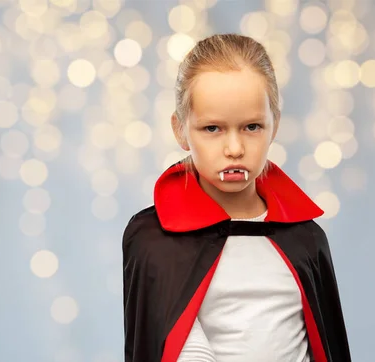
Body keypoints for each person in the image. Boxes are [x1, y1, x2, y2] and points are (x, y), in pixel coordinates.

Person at [123, 33, 351, 362]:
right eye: (212, 129)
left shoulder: (305, 238)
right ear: (180, 130)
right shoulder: (155, 240)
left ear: (275, 126)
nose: (234, 149)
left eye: (252, 127)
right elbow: (173, 345)